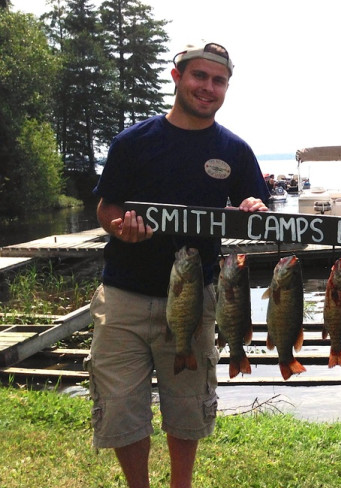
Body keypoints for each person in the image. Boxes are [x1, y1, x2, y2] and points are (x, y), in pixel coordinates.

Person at [87, 41, 270, 488]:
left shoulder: (234, 149)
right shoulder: (133, 142)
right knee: (121, 407)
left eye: (218, 80)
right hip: (125, 298)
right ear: (177, 77)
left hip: (197, 300)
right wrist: (119, 226)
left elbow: (255, 204)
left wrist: (253, 206)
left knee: (187, 407)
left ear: (227, 87)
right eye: (199, 76)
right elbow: (106, 208)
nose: (208, 87)